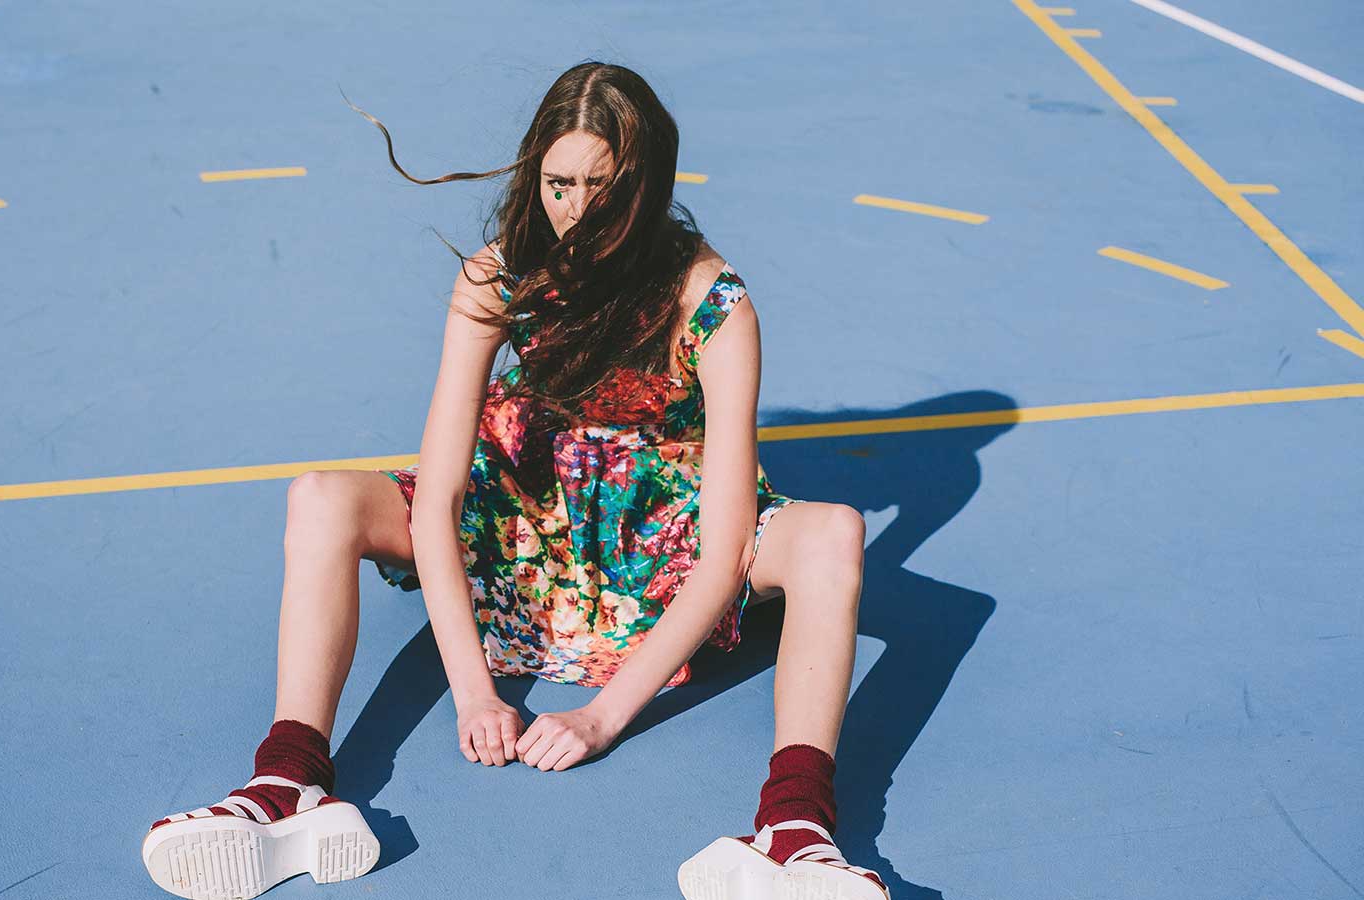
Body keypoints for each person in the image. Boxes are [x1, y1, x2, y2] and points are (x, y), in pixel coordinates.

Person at [140, 61, 888, 900]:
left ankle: (794, 826)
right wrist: (474, 694)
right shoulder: (497, 277)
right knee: (319, 498)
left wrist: (603, 717)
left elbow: (721, 553)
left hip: (659, 538)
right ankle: (289, 781)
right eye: (559, 184)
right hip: (523, 520)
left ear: (646, 183)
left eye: (602, 187)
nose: (576, 209)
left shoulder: (711, 302)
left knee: (834, 534)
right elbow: (440, 500)